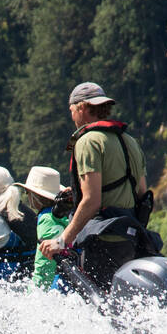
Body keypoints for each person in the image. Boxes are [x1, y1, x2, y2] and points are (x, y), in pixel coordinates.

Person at [38, 83, 149, 291]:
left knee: (97, 308)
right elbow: (144, 197)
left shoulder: (88, 141)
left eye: (72, 111)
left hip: (101, 240)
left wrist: (61, 241)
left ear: (82, 108)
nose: (72, 118)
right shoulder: (130, 141)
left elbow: (92, 201)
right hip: (131, 239)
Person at [12, 166, 68, 290]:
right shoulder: (62, 215)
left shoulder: (46, 219)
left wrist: (34, 293)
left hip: (56, 287)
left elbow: (44, 263)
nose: (27, 195)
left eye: (28, 192)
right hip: (68, 282)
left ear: (36, 196)